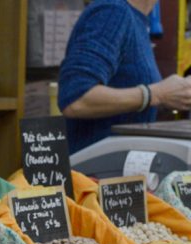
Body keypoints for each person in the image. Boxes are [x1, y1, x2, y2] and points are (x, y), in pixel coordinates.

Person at [58, 0, 191, 152]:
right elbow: (76, 100)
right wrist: (156, 94)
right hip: (93, 171)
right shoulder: (113, 12)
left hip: (117, 168)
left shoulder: (136, 18)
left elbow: (127, 94)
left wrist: (173, 96)